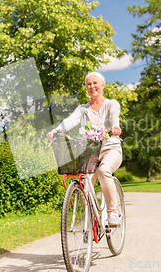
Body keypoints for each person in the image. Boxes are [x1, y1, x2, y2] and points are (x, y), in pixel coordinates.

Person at [46, 72, 123, 226]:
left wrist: (115, 127)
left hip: (110, 149)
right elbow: (69, 122)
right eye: (88, 84)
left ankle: (113, 212)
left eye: (95, 83)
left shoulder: (111, 104)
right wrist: (56, 131)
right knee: (83, 183)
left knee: (103, 171)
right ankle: (91, 220)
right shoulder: (82, 109)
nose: (92, 86)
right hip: (91, 152)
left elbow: (114, 117)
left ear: (102, 85)